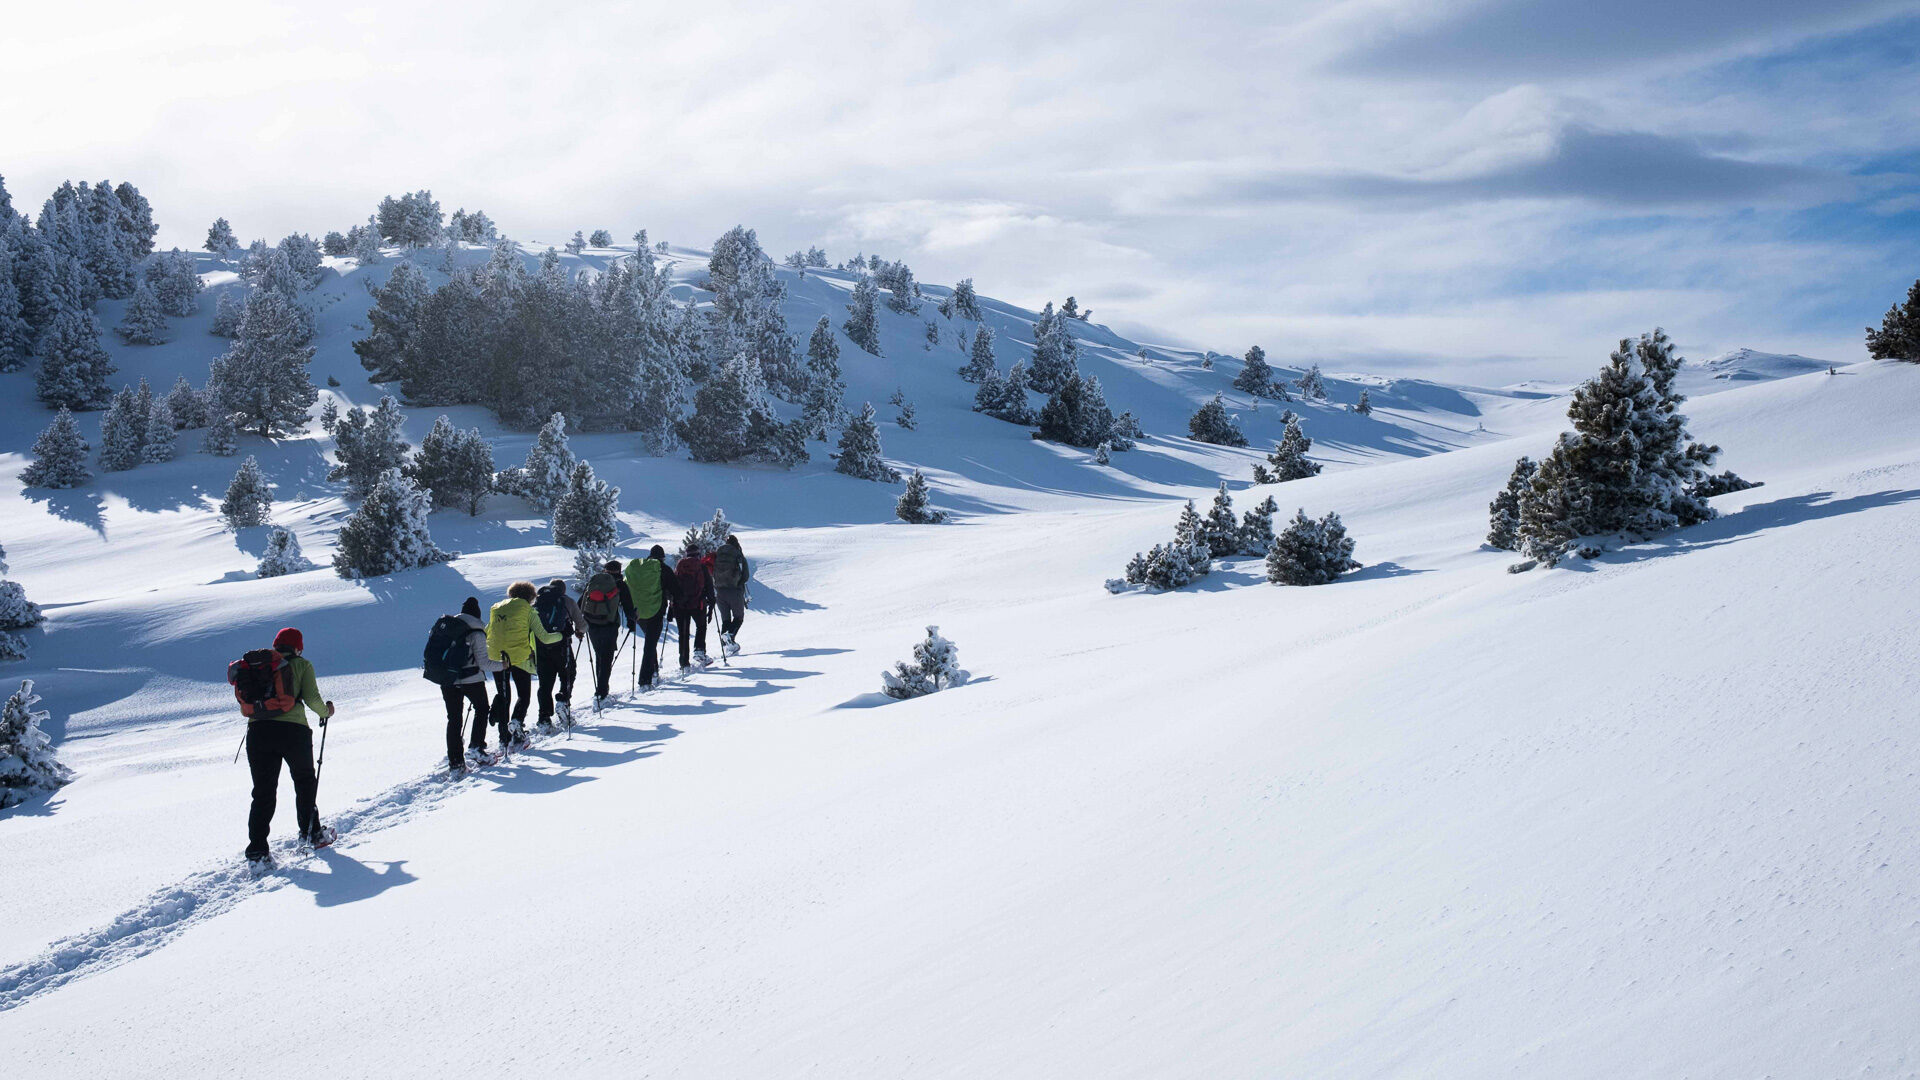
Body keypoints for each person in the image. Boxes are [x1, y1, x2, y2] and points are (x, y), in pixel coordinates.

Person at [244, 627, 334, 864]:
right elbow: (313, 699)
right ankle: (312, 833)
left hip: (258, 732)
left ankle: (257, 851)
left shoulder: (260, 666)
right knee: (304, 782)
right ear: (298, 647)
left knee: (263, 792)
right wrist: (327, 712)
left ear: (275, 645)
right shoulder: (302, 665)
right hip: (293, 732)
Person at [438, 597, 503, 771]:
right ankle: (476, 747)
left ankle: (456, 762)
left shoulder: (448, 627)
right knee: (481, 709)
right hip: (470, 679)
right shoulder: (476, 631)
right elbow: (484, 664)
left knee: (454, 719)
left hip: (447, 680)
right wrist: (503, 665)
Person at [487, 581, 556, 744]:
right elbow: (544, 637)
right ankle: (517, 724)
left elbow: (488, 631)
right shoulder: (528, 610)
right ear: (531, 597)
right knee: (523, 695)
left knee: (504, 696)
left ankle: (503, 736)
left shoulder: (497, 607)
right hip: (519, 657)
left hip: (496, 656)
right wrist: (561, 635)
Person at [579, 559, 638, 709]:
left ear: (605, 569)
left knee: (599, 655)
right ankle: (601, 694)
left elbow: (581, 603)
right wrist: (632, 621)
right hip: (609, 626)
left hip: (591, 624)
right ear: (619, 571)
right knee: (606, 659)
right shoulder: (620, 584)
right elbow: (628, 607)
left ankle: (600, 690)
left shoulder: (595, 581)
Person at [623, 544, 681, 690]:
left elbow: (625, 586)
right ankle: (645, 680)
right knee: (650, 644)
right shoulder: (663, 569)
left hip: (638, 612)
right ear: (662, 557)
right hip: (655, 610)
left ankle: (654, 671)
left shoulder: (638, 568)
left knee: (650, 641)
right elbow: (677, 590)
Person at [533, 578, 586, 731]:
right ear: (563, 590)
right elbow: (581, 624)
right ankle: (563, 700)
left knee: (545, 683)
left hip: (541, 646)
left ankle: (543, 718)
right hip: (562, 645)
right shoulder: (567, 601)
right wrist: (579, 632)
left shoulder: (538, 601)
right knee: (568, 674)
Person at [671, 547, 716, 670]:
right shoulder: (701, 566)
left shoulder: (680, 566)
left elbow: (674, 585)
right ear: (698, 554)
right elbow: (709, 585)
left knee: (683, 633)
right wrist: (712, 602)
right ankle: (699, 651)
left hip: (681, 605)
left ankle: (684, 662)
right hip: (697, 603)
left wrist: (672, 603)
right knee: (701, 626)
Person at [712, 534, 751, 656]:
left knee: (726, 620)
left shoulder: (718, 554)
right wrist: (739, 582)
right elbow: (745, 576)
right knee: (739, 617)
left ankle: (727, 645)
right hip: (734, 590)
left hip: (719, 591)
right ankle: (730, 637)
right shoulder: (738, 555)